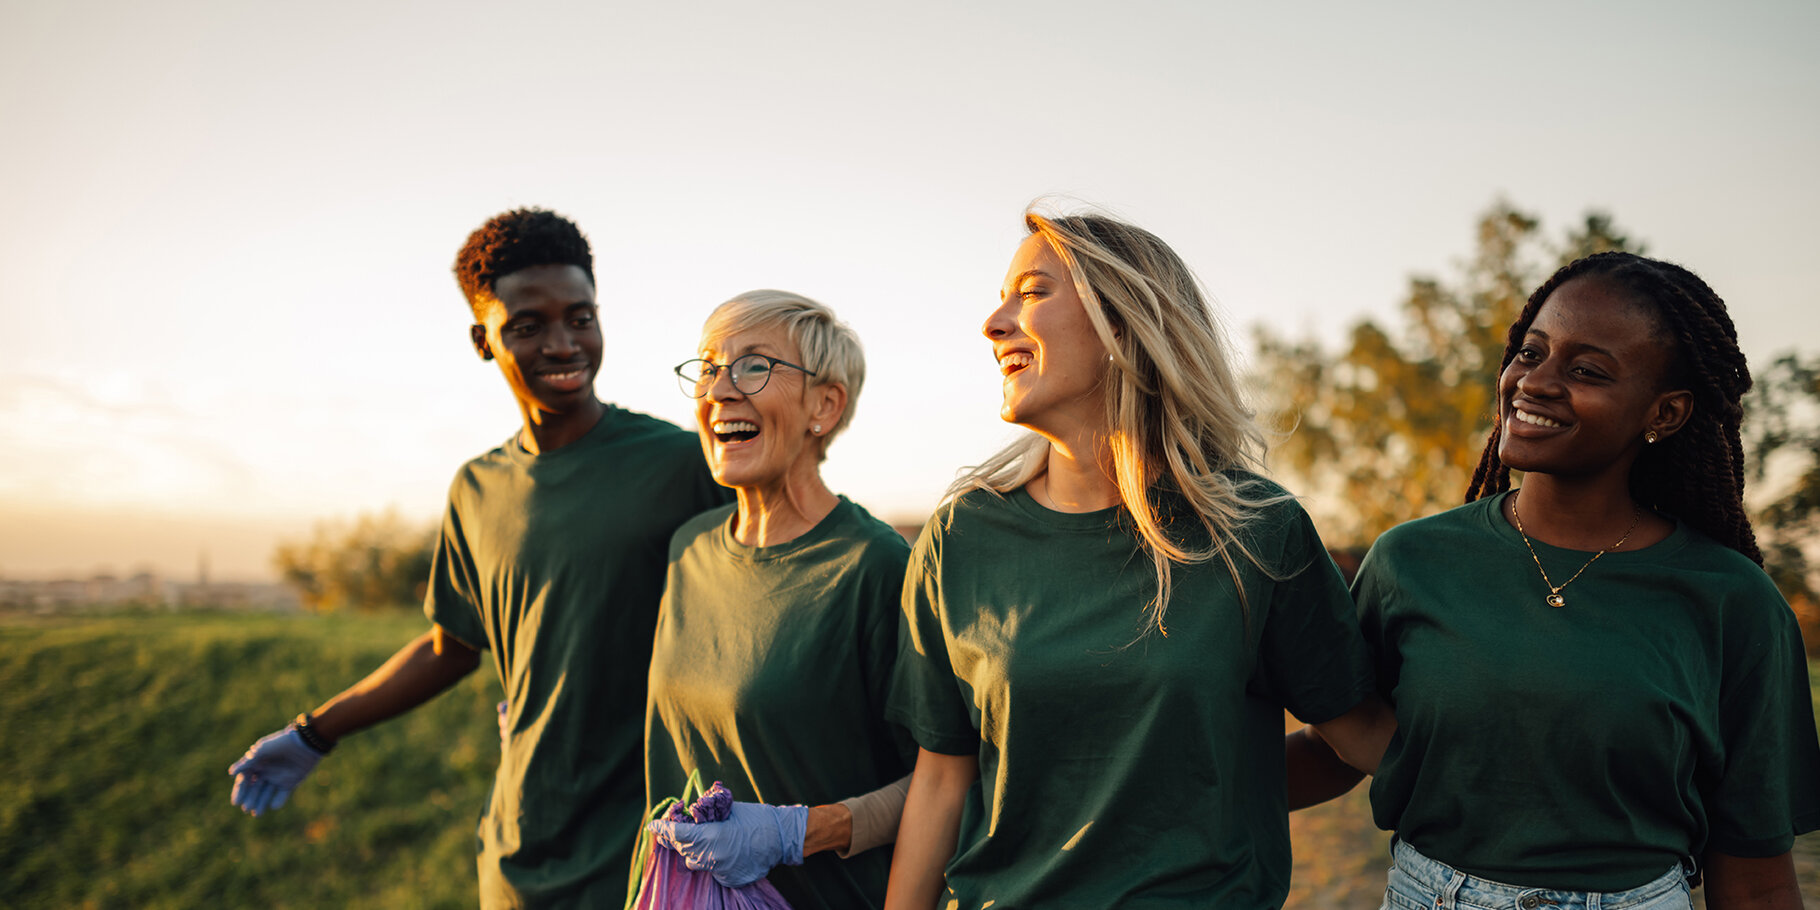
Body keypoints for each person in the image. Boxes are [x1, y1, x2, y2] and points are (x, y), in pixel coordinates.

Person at [884, 209, 1396, 909]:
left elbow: (1357, 738)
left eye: (1031, 292)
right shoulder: (959, 538)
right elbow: (942, 782)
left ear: (1123, 322)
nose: (993, 322)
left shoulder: (1257, 532)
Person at [226, 208, 729, 908]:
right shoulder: (476, 487)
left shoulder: (685, 464)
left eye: (580, 317)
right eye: (528, 325)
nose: (563, 344)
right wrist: (317, 731)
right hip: (521, 846)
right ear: (482, 339)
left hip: (652, 848)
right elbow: (452, 647)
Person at [1352, 251, 1820, 909]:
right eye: (1529, 352)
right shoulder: (1411, 561)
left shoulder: (1734, 603)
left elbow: (1757, 874)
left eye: (1586, 371)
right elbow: (1338, 740)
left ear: (1666, 414)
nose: (1534, 383)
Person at [640, 290, 915, 910]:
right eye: (709, 367)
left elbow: (943, 781)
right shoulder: (689, 550)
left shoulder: (873, 567)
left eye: (755, 366)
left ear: (824, 404)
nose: (719, 390)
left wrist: (796, 834)